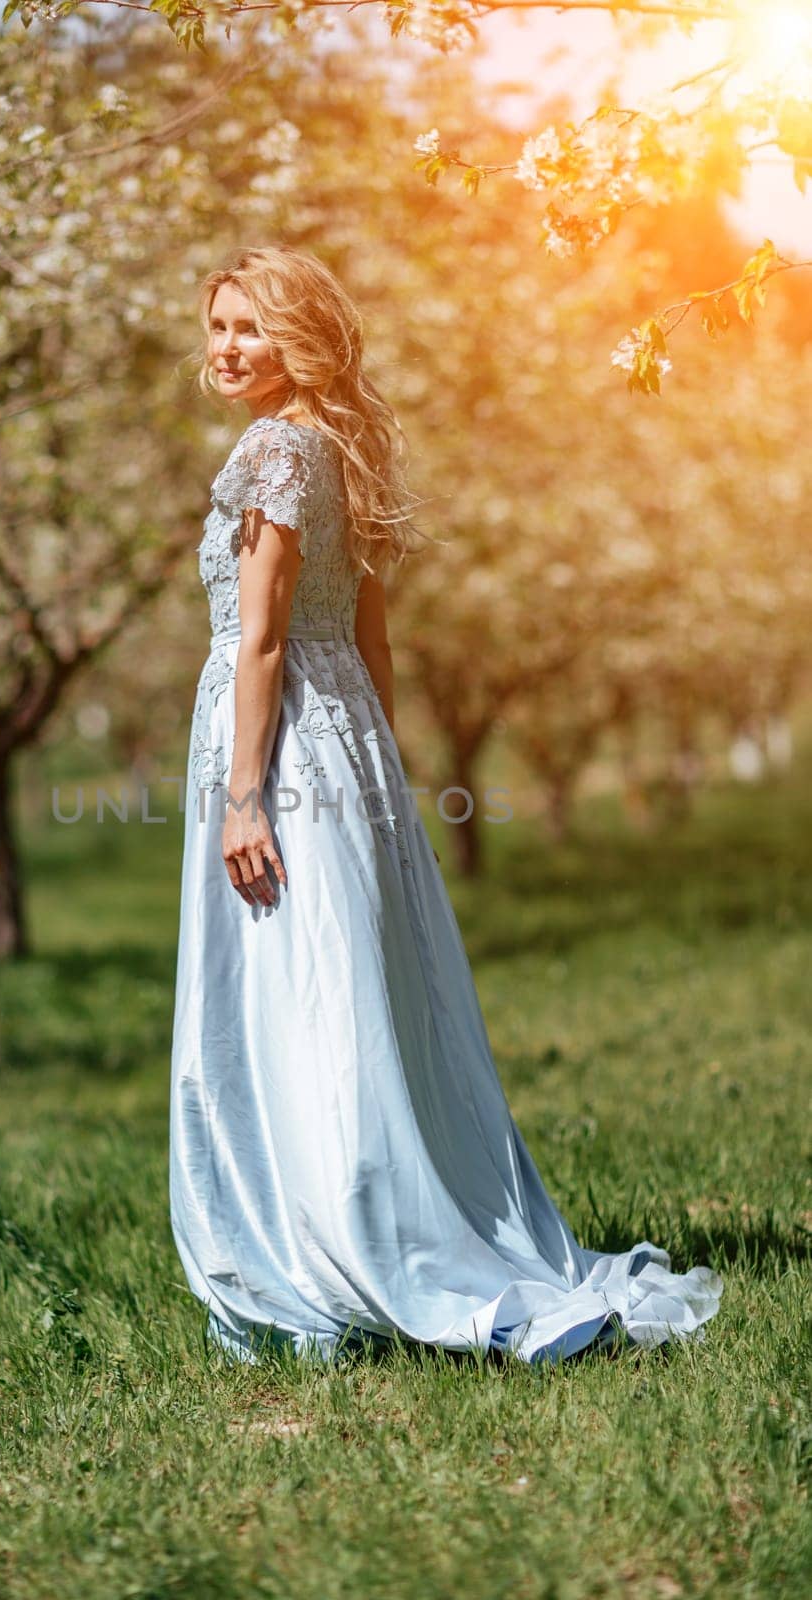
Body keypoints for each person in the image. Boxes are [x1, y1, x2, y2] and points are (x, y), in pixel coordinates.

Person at [168, 244, 724, 1366]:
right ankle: (366, 1238)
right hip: (346, 742)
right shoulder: (345, 445)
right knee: (357, 998)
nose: (226, 348)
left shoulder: (274, 448)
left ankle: (322, 1268)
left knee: (296, 1003)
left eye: (249, 328)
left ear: (297, 337)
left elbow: (264, 638)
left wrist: (243, 797)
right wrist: (376, 775)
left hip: (271, 748)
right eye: (217, 326)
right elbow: (370, 639)